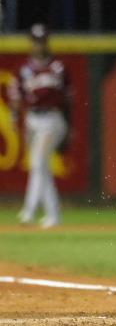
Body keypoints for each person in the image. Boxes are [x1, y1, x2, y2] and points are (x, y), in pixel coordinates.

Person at [9, 23, 71, 228]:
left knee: (38, 162)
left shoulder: (58, 67)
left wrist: (69, 128)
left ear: (46, 42)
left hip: (52, 120)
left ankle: (34, 212)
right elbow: (16, 96)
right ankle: (44, 213)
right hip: (32, 119)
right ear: (31, 43)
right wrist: (15, 113)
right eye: (35, 41)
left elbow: (68, 100)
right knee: (39, 166)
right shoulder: (23, 70)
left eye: (41, 41)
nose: (38, 45)